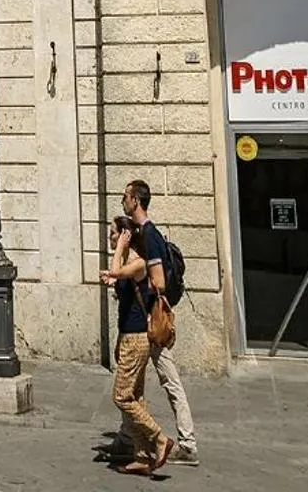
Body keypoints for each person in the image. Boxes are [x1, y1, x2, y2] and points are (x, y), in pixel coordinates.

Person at [104, 180, 198, 469]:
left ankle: (186, 443)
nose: (122, 201)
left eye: (125, 197)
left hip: (149, 324)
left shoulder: (150, 235)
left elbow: (157, 280)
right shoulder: (139, 233)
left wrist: (146, 308)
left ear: (136, 200)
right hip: (141, 323)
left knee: (168, 381)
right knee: (135, 386)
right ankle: (129, 440)